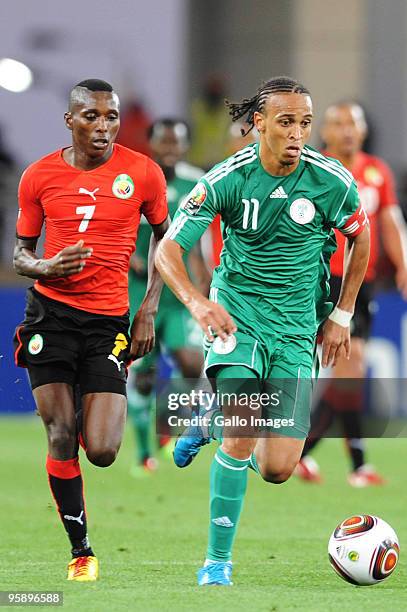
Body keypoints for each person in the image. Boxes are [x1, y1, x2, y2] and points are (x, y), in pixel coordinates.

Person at [155, 76, 370, 586]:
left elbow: (359, 240)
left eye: (304, 123)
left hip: (297, 328)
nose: (298, 134)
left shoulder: (331, 181)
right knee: (243, 433)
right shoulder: (227, 178)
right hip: (238, 317)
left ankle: (207, 421)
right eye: (286, 122)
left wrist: (341, 314)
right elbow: (168, 249)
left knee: (277, 468)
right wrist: (198, 303)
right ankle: (216, 563)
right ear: (259, 124)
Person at [12, 79, 169, 581]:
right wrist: (45, 268)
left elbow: (168, 241)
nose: (103, 127)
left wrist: (148, 310)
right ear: (69, 120)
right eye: (91, 117)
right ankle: (81, 551)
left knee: (100, 450)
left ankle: (87, 399)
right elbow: (20, 253)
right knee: (60, 434)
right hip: (50, 315)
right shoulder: (38, 177)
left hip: (108, 322)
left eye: (111, 117)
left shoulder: (143, 174)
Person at [296, 101, 407, 487]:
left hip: (357, 285)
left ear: (362, 130)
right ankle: (337, 461)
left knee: (349, 371)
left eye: (352, 124)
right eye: (338, 124)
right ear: (324, 132)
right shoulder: (312, 169)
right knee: (325, 372)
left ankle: (322, 458)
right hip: (314, 281)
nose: (346, 130)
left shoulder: (376, 172)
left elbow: (390, 221)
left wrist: (404, 262)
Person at [127, 117, 210, 474]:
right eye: (163, 142)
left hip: (179, 292)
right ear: (152, 144)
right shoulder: (133, 180)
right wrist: (133, 258)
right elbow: (117, 228)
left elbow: (199, 243)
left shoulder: (197, 182)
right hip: (139, 292)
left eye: (176, 143)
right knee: (143, 372)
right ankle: (144, 452)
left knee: (193, 364)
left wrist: (205, 287)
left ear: (186, 146)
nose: (170, 149)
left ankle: (167, 420)